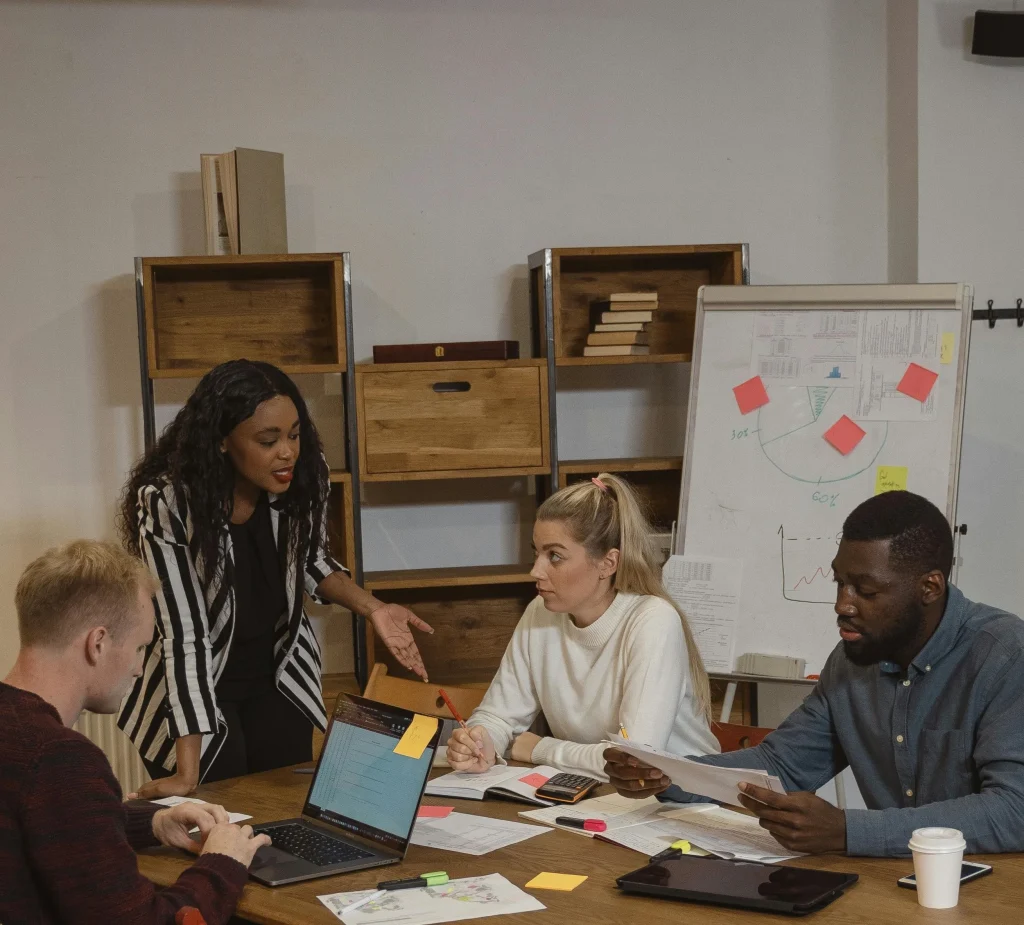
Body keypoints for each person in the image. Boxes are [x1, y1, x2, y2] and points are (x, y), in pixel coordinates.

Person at [604, 490, 1024, 857]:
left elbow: (1014, 809)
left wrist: (847, 832)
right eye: (840, 582)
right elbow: (779, 764)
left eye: (866, 590)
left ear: (929, 588)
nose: (843, 604)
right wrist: (667, 774)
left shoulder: (1005, 657)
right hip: (896, 886)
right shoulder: (851, 661)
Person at [117, 359, 433, 798]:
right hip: (194, 689)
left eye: (294, 434)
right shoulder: (169, 501)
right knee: (218, 821)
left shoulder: (302, 474)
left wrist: (374, 609)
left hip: (277, 675)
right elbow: (184, 635)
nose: (287, 451)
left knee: (282, 813)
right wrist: (187, 771)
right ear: (222, 442)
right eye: (268, 440)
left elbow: (311, 560)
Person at [0, 539, 270, 925]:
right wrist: (222, 862)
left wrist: (153, 822)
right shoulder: (59, 759)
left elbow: (57, 825)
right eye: (142, 647)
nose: (140, 669)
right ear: (98, 643)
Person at [447, 473, 719, 778]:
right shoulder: (540, 611)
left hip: (687, 800)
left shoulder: (653, 620)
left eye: (555, 556)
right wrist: (483, 740)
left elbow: (634, 758)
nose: (536, 571)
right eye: (535, 553)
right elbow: (499, 715)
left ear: (608, 563)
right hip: (602, 793)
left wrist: (539, 749)